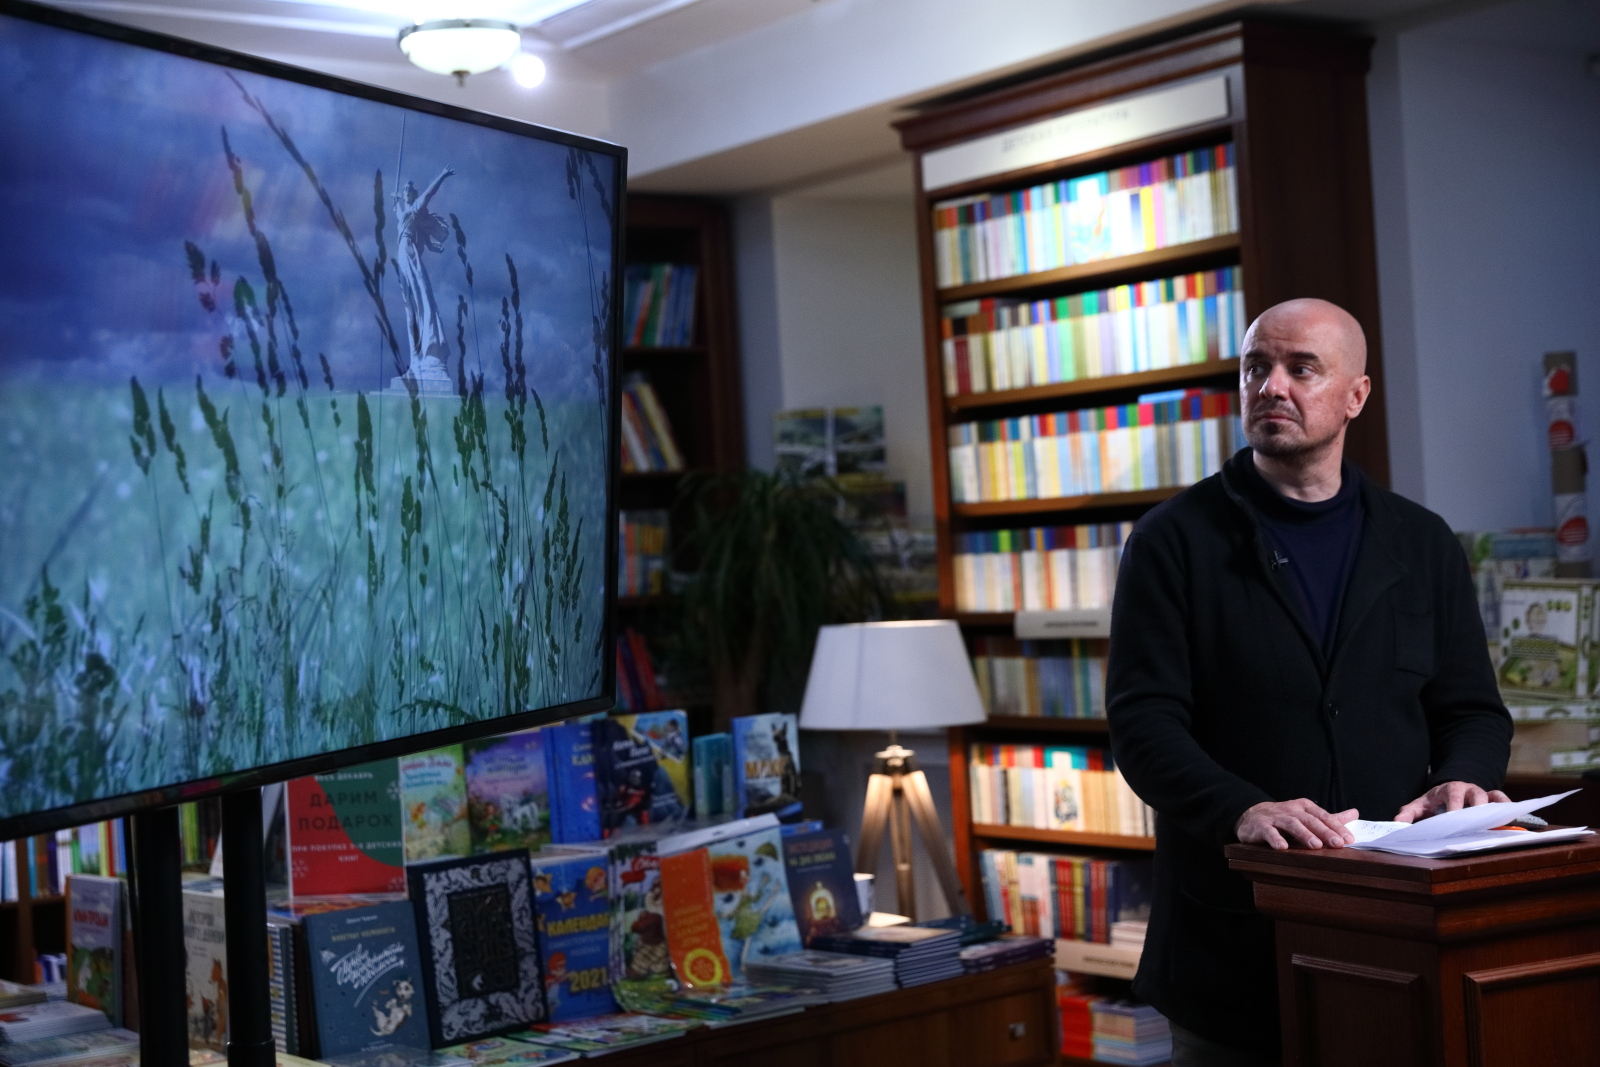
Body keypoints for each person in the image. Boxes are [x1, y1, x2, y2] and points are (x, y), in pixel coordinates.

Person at [1106, 298, 1511, 1066]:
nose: (1272, 386)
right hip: (1231, 944)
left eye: (1302, 368)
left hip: (1395, 934)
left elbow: (1473, 711)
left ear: (1356, 395)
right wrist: (1242, 807)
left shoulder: (1422, 541)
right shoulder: (1172, 541)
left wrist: (1463, 778)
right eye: (1256, 367)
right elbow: (1143, 724)